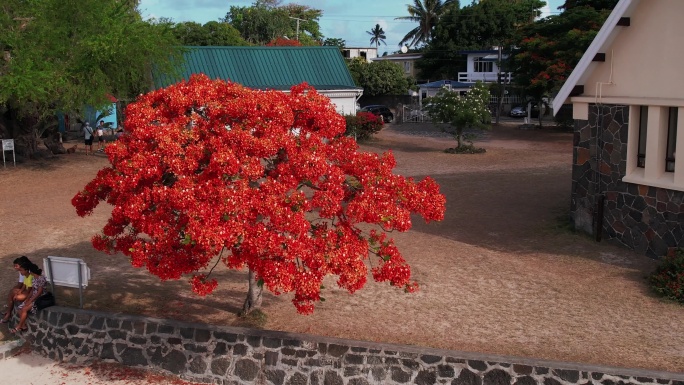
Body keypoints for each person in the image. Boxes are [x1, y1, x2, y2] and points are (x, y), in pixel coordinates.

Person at [10, 262, 48, 333]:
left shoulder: (41, 279)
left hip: (40, 298)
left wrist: (31, 300)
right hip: (33, 296)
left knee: (24, 309)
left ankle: (18, 326)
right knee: (20, 308)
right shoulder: (34, 278)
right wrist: (27, 299)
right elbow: (32, 290)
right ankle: (23, 326)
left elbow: (39, 292)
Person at [1, 257, 33, 324]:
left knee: (15, 295)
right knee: (12, 292)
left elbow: (29, 289)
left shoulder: (29, 274)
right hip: (25, 290)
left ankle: (9, 313)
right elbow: (22, 284)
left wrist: (17, 292)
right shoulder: (22, 272)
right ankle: (9, 312)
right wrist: (17, 291)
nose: (15, 267)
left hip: (29, 292)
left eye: (16, 266)